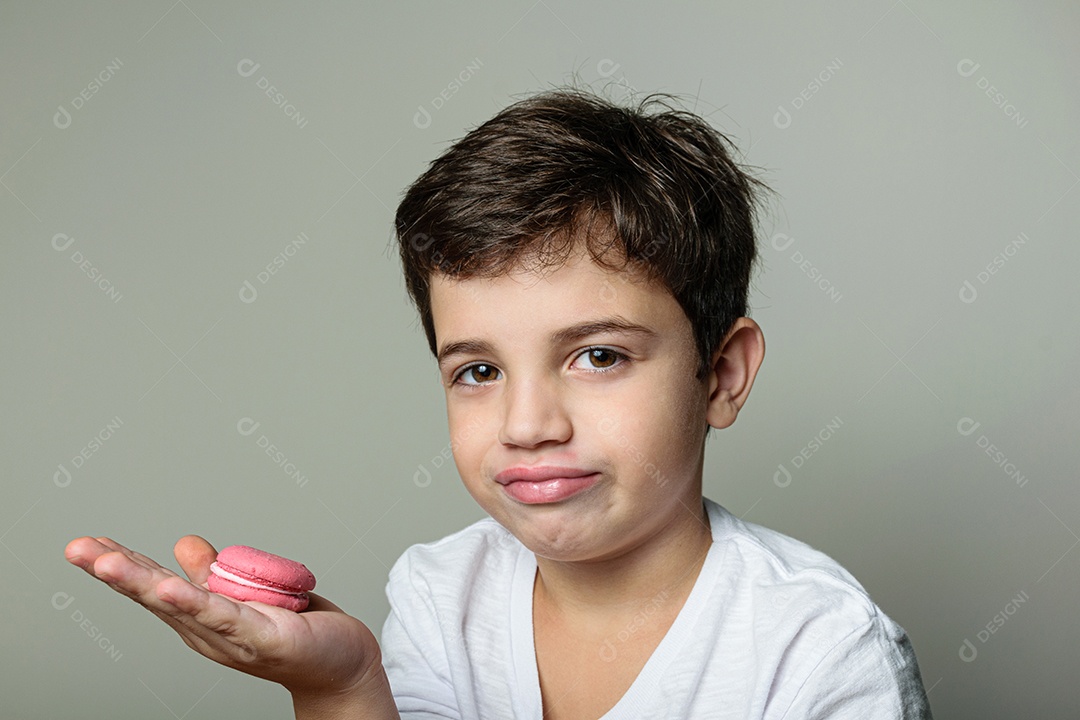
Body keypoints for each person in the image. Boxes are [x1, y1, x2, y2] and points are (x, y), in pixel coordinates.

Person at [65, 85, 933, 719]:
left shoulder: (816, 650)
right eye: (478, 371)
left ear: (722, 375)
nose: (528, 425)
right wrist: (340, 690)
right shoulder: (443, 597)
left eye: (598, 355)